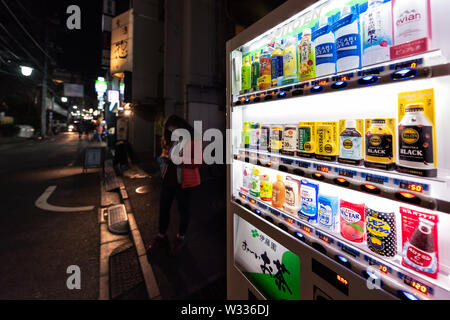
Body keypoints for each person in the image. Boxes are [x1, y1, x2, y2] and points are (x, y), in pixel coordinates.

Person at [147, 114, 202, 256]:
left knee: (184, 211)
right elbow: (166, 156)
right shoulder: (171, 141)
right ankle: (161, 235)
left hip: (185, 182)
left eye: (174, 128)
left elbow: (198, 161)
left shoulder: (192, 140)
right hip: (168, 180)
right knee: (163, 208)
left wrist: (177, 159)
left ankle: (181, 238)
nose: (172, 131)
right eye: (170, 130)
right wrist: (162, 160)